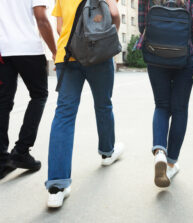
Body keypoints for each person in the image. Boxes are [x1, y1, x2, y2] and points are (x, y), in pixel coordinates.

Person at [45, 0, 123, 208]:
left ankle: (57, 186)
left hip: (68, 53)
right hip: (98, 54)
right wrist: (104, 38)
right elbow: (114, 14)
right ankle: (107, 152)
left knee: (64, 115)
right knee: (103, 105)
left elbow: (60, 27)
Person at [138, 0, 193, 187]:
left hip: (155, 55)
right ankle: (171, 163)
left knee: (161, 105)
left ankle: (159, 151)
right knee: (180, 109)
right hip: (186, 56)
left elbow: (143, 25)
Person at [0, 0, 56, 179]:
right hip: (28, 49)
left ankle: (2, 160)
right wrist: (55, 52)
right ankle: (21, 152)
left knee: (3, 102)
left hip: (2, 51)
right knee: (39, 95)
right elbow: (41, 18)